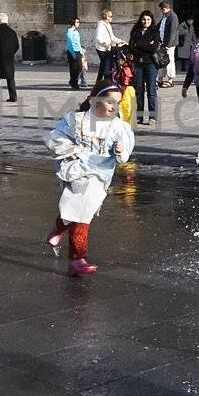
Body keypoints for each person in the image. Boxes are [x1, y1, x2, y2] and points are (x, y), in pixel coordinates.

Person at [44, 82, 135, 277]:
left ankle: (59, 228)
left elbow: (125, 153)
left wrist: (121, 151)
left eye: (117, 103)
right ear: (94, 100)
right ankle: (77, 259)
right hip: (76, 170)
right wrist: (70, 151)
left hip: (100, 174)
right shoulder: (76, 120)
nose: (114, 107)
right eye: (109, 102)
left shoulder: (119, 127)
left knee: (81, 210)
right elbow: (55, 137)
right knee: (80, 212)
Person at [128, 10, 161, 127]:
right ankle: (139, 115)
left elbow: (153, 48)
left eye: (148, 19)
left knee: (151, 90)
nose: (146, 21)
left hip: (151, 64)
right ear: (140, 20)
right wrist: (145, 45)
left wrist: (139, 44)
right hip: (138, 63)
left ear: (151, 20)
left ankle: (152, 116)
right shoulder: (135, 31)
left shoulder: (155, 32)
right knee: (138, 89)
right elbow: (131, 47)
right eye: (144, 19)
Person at [94, 9, 120, 87]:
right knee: (106, 65)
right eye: (110, 16)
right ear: (106, 16)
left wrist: (120, 41)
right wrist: (105, 43)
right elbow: (98, 37)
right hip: (102, 49)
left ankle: (99, 82)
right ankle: (103, 83)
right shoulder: (101, 24)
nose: (112, 18)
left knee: (103, 66)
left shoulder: (108, 25)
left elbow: (112, 37)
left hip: (107, 49)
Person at [157, 2, 179, 87]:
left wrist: (168, 45)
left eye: (161, 9)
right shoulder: (165, 16)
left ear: (164, 8)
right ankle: (160, 78)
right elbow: (160, 26)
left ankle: (170, 80)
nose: (161, 11)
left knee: (169, 61)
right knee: (161, 60)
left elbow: (172, 32)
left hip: (169, 44)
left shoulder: (173, 16)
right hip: (162, 42)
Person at [64, 16, 88, 90]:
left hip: (78, 51)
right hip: (72, 51)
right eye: (77, 22)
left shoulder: (76, 32)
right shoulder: (69, 31)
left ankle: (73, 81)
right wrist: (73, 53)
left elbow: (78, 43)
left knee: (80, 67)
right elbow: (70, 43)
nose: (79, 23)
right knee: (73, 67)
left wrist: (81, 52)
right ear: (73, 23)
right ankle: (73, 82)